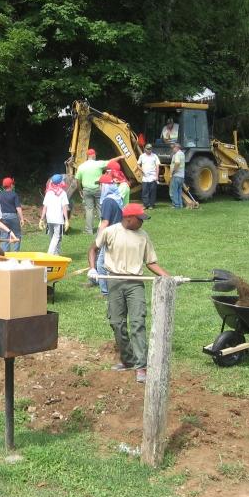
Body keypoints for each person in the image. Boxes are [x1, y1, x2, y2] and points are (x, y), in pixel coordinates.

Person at [87, 203, 169, 383]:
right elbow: (93, 248)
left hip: (135, 284)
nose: (142, 223)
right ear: (129, 219)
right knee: (117, 323)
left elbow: (151, 262)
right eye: (140, 220)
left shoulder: (143, 236)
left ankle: (141, 366)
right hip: (114, 281)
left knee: (138, 323)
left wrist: (168, 277)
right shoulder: (110, 232)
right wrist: (92, 268)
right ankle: (127, 359)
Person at [88, 174, 124, 296]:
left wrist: (99, 236)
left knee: (101, 263)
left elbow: (105, 222)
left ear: (105, 186)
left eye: (100, 185)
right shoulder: (117, 198)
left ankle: (105, 292)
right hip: (119, 232)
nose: (99, 188)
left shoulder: (108, 201)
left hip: (109, 235)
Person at [75, 150, 124, 234]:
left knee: (89, 209)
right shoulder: (98, 164)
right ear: (93, 156)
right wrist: (120, 157)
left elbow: (77, 180)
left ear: (87, 156)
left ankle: (88, 230)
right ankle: (105, 226)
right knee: (101, 208)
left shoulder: (81, 166)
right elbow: (111, 162)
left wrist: (80, 190)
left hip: (86, 189)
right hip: (98, 188)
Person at [40, 174, 69, 255]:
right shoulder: (62, 193)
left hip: (49, 219)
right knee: (57, 237)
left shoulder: (48, 192)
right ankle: (49, 254)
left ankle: (57, 254)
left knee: (53, 237)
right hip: (58, 219)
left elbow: (45, 207)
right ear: (60, 182)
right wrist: (66, 220)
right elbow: (64, 207)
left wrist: (42, 219)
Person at [0, 177, 25, 252]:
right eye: (12, 184)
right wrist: (22, 218)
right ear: (11, 185)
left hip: (3, 216)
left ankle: (5, 255)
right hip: (13, 216)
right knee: (17, 234)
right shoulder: (14, 195)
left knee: (4, 235)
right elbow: (18, 208)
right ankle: (15, 254)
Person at [137, 143, 160, 209]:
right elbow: (138, 165)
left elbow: (157, 166)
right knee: (145, 191)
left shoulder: (155, 156)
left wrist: (157, 176)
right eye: (148, 149)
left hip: (153, 177)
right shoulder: (142, 156)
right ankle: (145, 204)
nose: (149, 150)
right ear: (145, 149)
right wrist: (142, 170)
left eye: (150, 149)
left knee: (152, 191)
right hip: (145, 177)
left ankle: (151, 205)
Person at [169, 143, 185, 208]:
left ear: (177, 148)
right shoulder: (182, 154)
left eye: (173, 148)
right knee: (179, 191)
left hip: (176, 175)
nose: (172, 149)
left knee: (174, 191)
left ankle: (176, 205)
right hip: (181, 176)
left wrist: (173, 172)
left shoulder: (177, 154)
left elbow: (177, 163)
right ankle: (180, 204)